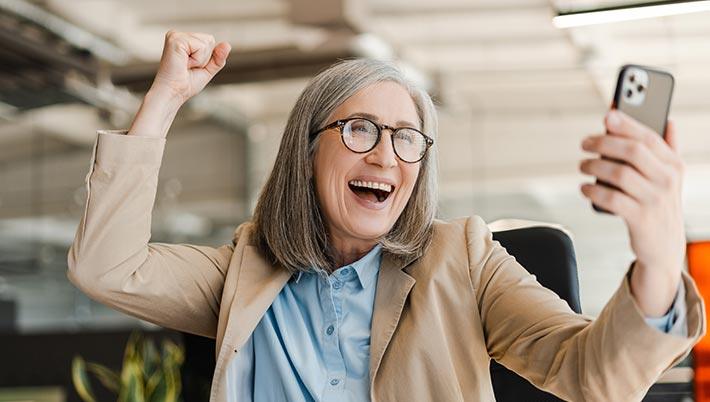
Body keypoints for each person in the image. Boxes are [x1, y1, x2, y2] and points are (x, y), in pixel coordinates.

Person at [67, 31, 706, 402]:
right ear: (306, 149)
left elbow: (591, 374)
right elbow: (107, 266)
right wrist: (167, 98)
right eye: (361, 128)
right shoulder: (244, 272)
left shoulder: (465, 259)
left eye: (407, 137)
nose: (386, 154)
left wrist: (656, 255)